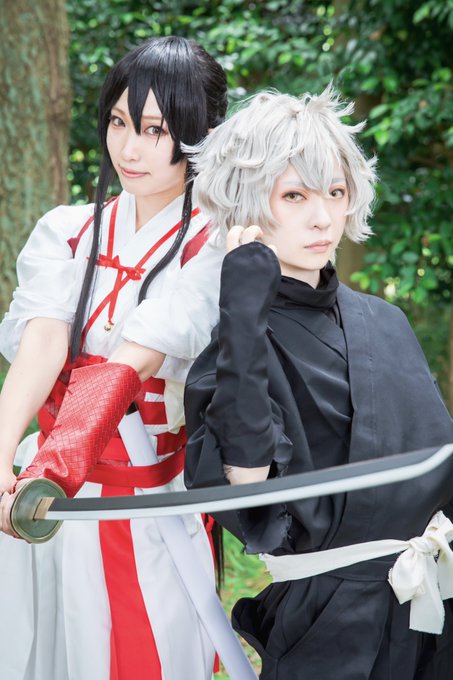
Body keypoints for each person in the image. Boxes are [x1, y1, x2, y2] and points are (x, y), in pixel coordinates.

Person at [183, 87, 453, 679]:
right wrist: (243, 315)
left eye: (334, 192)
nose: (323, 217)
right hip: (326, 625)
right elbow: (247, 485)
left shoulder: (386, 322)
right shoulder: (233, 350)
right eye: (294, 195)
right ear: (248, 204)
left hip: (427, 611)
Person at [0, 36, 228, 680]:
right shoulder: (67, 229)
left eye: (157, 130)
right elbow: (43, 342)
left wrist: (57, 467)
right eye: (120, 123)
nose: (129, 149)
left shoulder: (216, 245)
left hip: (145, 501)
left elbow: (136, 358)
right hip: (41, 496)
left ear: (200, 134)